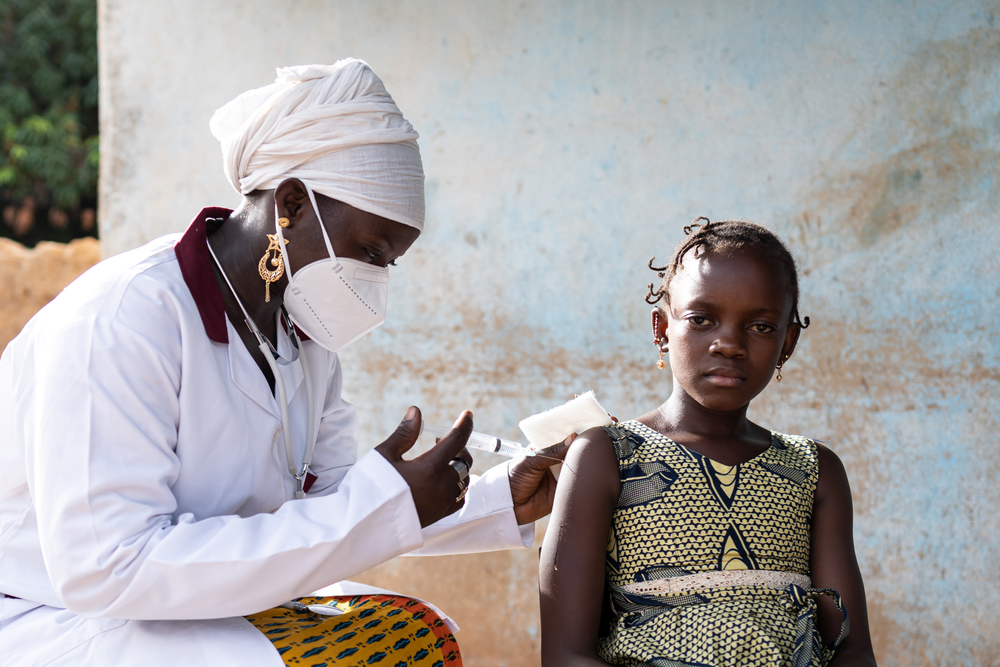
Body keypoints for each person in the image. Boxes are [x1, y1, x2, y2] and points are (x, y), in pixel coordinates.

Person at [0, 59, 567, 667]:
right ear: (291, 205)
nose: (374, 281)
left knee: (420, 634)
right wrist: (382, 505)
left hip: (193, 608)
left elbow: (328, 506)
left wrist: (494, 500)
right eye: (370, 252)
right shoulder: (124, 320)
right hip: (61, 616)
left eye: (388, 263)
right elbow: (107, 569)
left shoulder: (299, 332)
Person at [538, 218, 877, 667]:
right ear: (661, 329)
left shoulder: (813, 469)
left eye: (760, 327)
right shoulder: (608, 455)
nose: (729, 344)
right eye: (701, 319)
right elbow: (567, 656)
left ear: (787, 343)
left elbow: (850, 649)